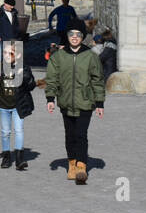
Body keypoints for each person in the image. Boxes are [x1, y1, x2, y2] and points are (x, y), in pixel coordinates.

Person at [44, 19, 105, 184]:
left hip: (85, 102)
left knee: (81, 134)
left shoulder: (91, 56)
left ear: (83, 37)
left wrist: (99, 103)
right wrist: (50, 98)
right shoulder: (59, 57)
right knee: (70, 135)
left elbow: (98, 80)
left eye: (78, 34)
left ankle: (81, 166)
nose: (75, 37)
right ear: (67, 35)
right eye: (72, 34)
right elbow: (52, 79)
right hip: (65, 101)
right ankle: (71, 164)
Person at [0, 41, 37, 169]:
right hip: (3, 105)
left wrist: (24, 74)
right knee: (5, 132)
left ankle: (19, 158)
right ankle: (6, 156)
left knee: (18, 130)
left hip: (18, 105)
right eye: (4, 52)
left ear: (17, 55)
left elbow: (31, 85)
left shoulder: (23, 67)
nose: (6, 55)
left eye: (10, 53)